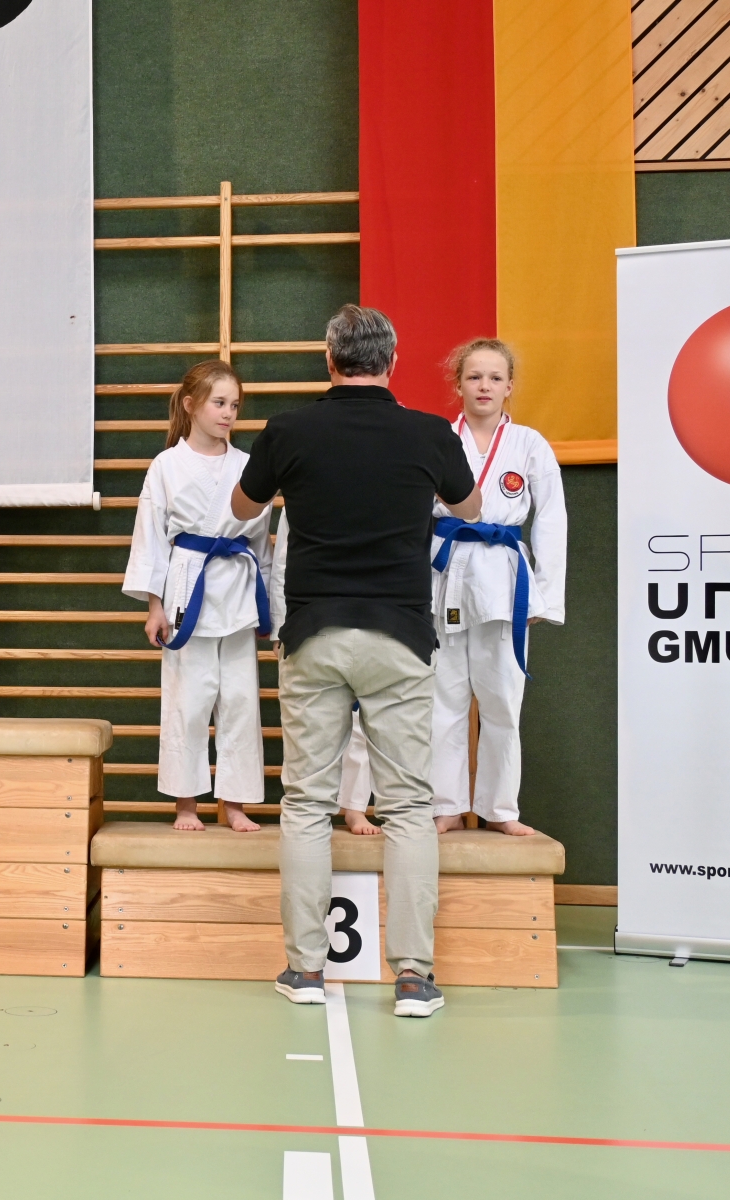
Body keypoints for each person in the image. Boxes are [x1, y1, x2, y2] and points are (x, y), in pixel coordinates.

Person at [233, 304, 479, 1018]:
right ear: (392, 362)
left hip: (315, 633)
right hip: (399, 634)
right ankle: (414, 978)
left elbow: (243, 505)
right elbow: (470, 507)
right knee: (408, 807)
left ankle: (305, 970)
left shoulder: (290, 431)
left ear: (329, 359)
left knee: (307, 803)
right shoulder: (429, 434)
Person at [123, 360, 274, 834]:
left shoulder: (247, 466)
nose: (228, 413)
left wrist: (269, 607)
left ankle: (234, 803)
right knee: (187, 702)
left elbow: (262, 542)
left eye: (235, 405)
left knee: (241, 702)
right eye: (219, 403)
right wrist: (154, 606)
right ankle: (186, 803)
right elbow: (150, 536)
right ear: (190, 405)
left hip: (239, 588)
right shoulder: (167, 465)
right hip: (187, 587)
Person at [427, 339, 566, 836]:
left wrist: (545, 594)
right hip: (444, 574)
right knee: (443, 699)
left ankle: (501, 809)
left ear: (509, 386)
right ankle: (445, 805)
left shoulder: (529, 444)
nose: (484, 386)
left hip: (505, 580)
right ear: (458, 385)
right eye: (474, 377)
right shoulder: (438, 438)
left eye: (494, 377)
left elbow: (551, 521)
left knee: (503, 700)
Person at [269, 506, 378, 834]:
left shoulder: (382, 485)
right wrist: (280, 626)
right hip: (312, 615)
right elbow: (283, 563)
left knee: (364, 721)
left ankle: (355, 807)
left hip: (371, 608)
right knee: (309, 725)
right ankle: (310, 810)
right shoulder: (301, 491)